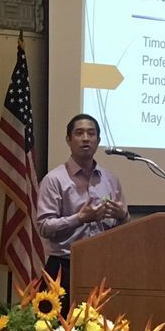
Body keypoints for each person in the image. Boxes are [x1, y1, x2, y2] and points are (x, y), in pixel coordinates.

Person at [36, 114, 129, 314]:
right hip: (64, 268)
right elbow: (44, 227)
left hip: (103, 267)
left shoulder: (110, 180)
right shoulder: (54, 180)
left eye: (91, 133)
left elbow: (121, 230)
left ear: (98, 140)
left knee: (103, 327)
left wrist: (123, 217)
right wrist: (79, 219)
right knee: (62, 329)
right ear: (68, 140)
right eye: (79, 133)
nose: (86, 138)